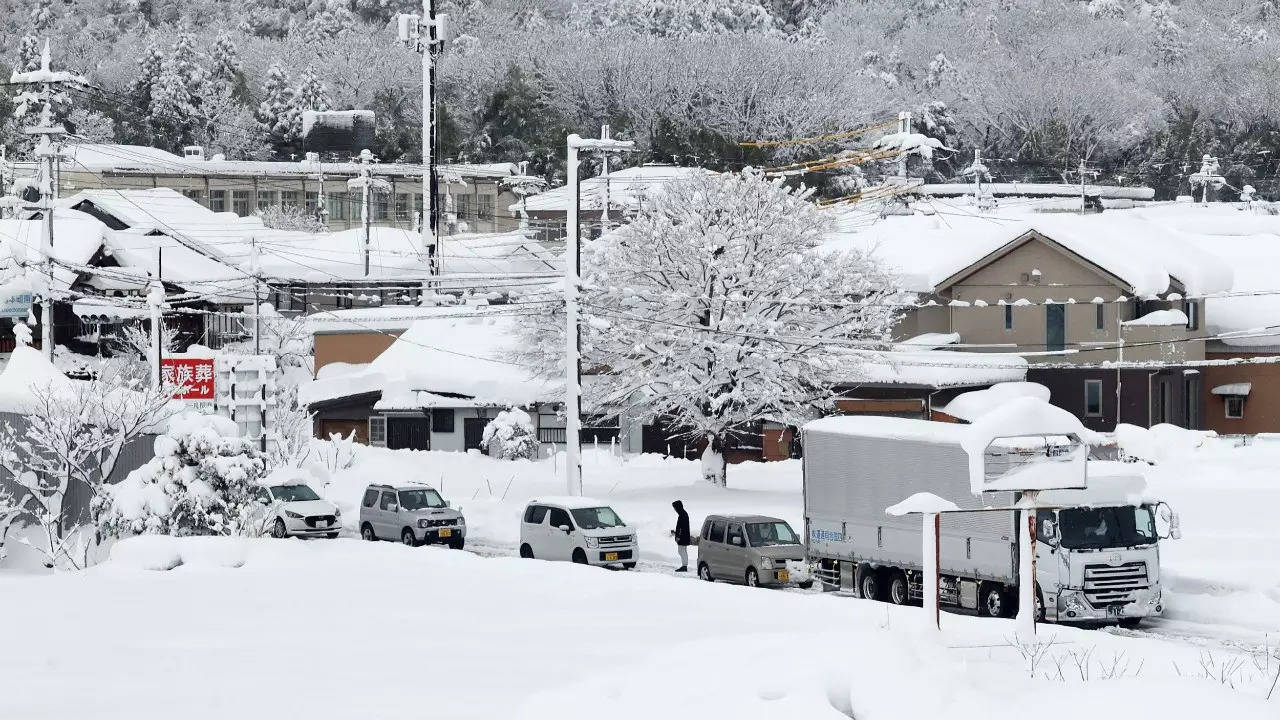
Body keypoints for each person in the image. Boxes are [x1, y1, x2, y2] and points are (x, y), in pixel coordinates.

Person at [671, 500, 691, 572]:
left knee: (681, 551)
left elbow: (681, 527)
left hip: (683, 537)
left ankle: (684, 566)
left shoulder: (682, 515)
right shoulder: (683, 514)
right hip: (684, 536)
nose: (674, 509)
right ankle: (684, 565)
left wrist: (678, 536)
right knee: (683, 551)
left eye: (675, 508)